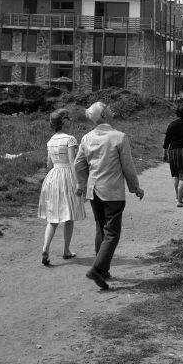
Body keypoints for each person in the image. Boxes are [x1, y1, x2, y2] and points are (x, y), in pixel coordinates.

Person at [74, 101, 144, 290]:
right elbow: (128, 167)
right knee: (112, 233)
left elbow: (78, 164)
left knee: (101, 229)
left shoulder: (86, 138)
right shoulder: (119, 137)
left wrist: (82, 183)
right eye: (108, 107)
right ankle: (97, 269)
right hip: (112, 191)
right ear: (103, 116)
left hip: (93, 190)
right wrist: (135, 187)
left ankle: (103, 271)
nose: (112, 109)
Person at [38, 108, 86, 266]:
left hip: (53, 177)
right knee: (69, 215)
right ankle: (66, 250)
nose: (70, 121)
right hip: (67, 177)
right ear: (63, 122)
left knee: (53, 217)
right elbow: (73, 162)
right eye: (68, 118)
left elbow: (48, 164)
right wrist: (78, 182)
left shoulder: (50, 141)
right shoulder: (70, 139)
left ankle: (46, 248)